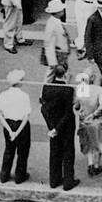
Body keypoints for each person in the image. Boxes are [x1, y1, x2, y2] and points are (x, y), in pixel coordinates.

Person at [40, 62, 79, 191]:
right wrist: (58, 128)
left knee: (55, 152)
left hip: (52, 125)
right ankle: (68, 181)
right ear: (65, 74)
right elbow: (68, 113)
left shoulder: (46, 88)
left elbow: (44, 109)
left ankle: (54, 180)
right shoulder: (68, 90)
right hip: (66, 127)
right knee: (68, 153)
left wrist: (52, 128)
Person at [0, 68, 32, 185]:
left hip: (8, 124)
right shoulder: (24, 96)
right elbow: (26, 117)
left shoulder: (3, 95)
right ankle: (20, 176)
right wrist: (17, 132)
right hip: (21, 126)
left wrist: (10, 131)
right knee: (23, 151)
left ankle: (4, 174)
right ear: (20, 82)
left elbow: (0, 115)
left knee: (9, 149)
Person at [74, 70, 102, 176]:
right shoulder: (98, 89)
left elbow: (76, 106)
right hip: (97, 121)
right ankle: (96, 165)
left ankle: (90, 164)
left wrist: (80, 114)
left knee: (88, 143)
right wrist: (93, 114)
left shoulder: (80, 89)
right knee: (98, 142)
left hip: (84, 121)